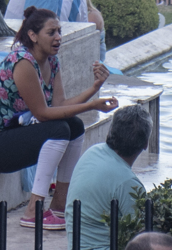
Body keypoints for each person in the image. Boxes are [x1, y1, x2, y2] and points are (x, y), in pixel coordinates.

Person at [0, 7, 116, 232]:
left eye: (59, 31)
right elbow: (43, 114)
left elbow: (60, 106)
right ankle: (33, 211)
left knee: (74, 126)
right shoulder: (23, 62)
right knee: (58, 130)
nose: (58, 37)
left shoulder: (51, 61)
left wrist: (94, 89)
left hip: (10, 136)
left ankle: (59, 205)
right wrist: (92, 105)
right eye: (51, 32)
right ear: (33, 36)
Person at [66, 104, 151, 250]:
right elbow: (145, 238)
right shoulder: (129, 184)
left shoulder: (92, 152)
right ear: (145, 144)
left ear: (111, 132)